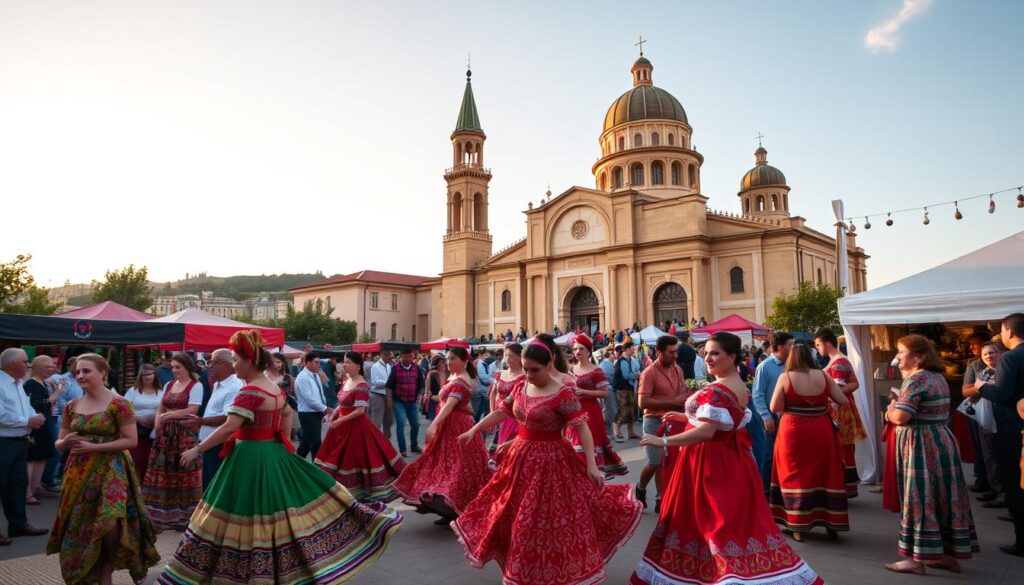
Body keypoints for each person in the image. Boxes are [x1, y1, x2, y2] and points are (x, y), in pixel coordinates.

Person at [157, 331, 402, 584]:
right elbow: (285, 413)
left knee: (241, 512)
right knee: (273, 511)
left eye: (235, 359)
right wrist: (284, 444)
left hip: (250, 457)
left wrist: (197, 449)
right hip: (270, 453)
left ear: (249, 361)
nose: (233, 364)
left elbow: (230, 427)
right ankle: (274, 568)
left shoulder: (250, 391)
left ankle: (244, 571)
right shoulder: (272, 387)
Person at [631, 333, 824, 585]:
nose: (708, 358)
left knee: (714, 526)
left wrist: (664, 441)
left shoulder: (720, 389)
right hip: (728, 461)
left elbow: (708, 431)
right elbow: (721, 423)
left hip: (710, 463)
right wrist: (685, 418)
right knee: (722, 525)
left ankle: (725, 577)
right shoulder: (734, 383)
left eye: (715, 353)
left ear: (732, 356)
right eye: (706, 353)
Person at [452, 334, 642, 585]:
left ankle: (550, 568)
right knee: (509, 511)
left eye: (534, 370)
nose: (529, 375)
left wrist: (592, 465)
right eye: (526, 369)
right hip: (520, 460)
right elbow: (501, 412)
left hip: (553, 462)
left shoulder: (563, 393)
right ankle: (523, 567)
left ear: (549, 364)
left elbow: (582, 428)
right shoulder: (521, 386)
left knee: (542, 519)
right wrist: (474, 430)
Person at [47, 353, 159, 584]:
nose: (80, 375)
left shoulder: (119, 403)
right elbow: (59, 443)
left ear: (103, 373)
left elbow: (131, 440)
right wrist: (66, 442)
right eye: (77, 371)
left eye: (86, 371)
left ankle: (110, 565)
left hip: (112, 468)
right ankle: (96, 572)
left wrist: (94, 446)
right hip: (78, 471)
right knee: (83, 522)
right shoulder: (72, 406)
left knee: (109, 522)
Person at [885, 334, 978, 574]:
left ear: (918, 357)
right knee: (943, 497)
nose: (897, 357)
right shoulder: (938, 377)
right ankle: (945, 555)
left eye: (901, 352)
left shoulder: (916, 380)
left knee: (918, 497)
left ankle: (914, 560)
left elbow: (901, 417)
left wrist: (890, 411)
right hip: (940, 439)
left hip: (920, 444)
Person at [393, 346, 492, 524]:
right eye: (447, 358)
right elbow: (460, 403)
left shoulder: (462, 379)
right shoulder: (454, 377)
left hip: (457, 428)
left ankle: (456, 509)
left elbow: (450, 404)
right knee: (443, 466)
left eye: (453, 358)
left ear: (464, 360)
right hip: (450, 425)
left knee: (458, 469)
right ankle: (447, 509)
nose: (449, 362)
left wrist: (435, 423)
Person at [768, 342, 850, 541]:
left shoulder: (785, 377)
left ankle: (797, 524)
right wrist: (821, 403)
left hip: (793, 430)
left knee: (794, 474)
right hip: (821, 428)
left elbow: (775, 406)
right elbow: (843, 400)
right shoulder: (823, 375)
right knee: (824, 472)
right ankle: (831, 521)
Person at [967, 312, 1024, 557]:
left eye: (1001, 330)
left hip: (1011, 429)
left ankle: (1022, 539)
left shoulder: (1011, 358)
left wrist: (981, 387)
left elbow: (1001, 394)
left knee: (1013, 483)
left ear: (1009, 331)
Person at [316, 351, 406, 502]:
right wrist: (333, 415)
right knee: (337, 459)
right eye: (344, 362)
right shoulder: (346, 381)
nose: (344, 365)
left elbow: (360, 411)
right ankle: (340, 494)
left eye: (348, 362)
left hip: (355, 428)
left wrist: (340, 420)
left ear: (358, 366)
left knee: (353, 460)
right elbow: (341, 403)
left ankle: (356, 494)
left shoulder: (362, 385)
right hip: (341, 426)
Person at [141, 352, 203, 531]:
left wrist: (170, 414)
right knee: (163, 471)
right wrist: (159, 420)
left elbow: (193, 409)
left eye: (178, 367)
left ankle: (184, 518)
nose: (175, 370)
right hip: (165, 434)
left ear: (187, 367)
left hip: (184, 433)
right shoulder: (169, 384)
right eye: (173, 367)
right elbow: (161, 406)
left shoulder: (195, 385)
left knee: (184, 472)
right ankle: (160, 517)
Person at [0, 348, 49, 546]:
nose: (28, 365)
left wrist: (36, 417)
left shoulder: (19, 383)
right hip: (3, 441)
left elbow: (26, 407)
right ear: (12, 364)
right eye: (25, 361)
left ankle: (18, 524)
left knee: (18, 485)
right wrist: (26, 421)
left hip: (19, 442)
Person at [636, 335, 689, 513]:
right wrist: (673, 402)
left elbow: (682, 393)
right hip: (653, 420)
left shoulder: (678, 370)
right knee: (655, 461)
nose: (675, 355)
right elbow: (643, 402)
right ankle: (641, 488)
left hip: (673, 420)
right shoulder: (649, 372)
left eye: (676, 352)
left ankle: (661, 498)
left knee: (667, 462)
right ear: (660, 352)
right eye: (671, 352)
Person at [567, 335, 628, 478]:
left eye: (581, 349)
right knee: (574, 444)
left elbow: (605, 392)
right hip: (574, 412)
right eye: (575, 349)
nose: (577, 352)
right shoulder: (571, 371)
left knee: (590, 443)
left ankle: (594, 476)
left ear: (589, 351)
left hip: (591, 412)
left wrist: (584, 392)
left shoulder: (596, 370)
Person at [815, 328, 867, 498]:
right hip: (842, 406)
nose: (817, 349)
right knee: (843, 447)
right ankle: (845, 486)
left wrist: (833, 395)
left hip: (838, 408)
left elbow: (846, 385)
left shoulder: (838, 362)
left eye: (818, 344)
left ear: (827, 342)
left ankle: (841, 486)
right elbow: (854, 383)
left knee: (840, 446)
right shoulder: (840, 360)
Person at [184, 348, 241, 489]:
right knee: (208, 483)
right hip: (210, 442)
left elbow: (228, 418)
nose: (210, 366)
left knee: (213, 486)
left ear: (228, 365)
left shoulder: (234, 387)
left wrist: (200, 421)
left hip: (219, 443)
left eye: (214, 362)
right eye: (210, 362)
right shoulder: (217, 384)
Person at [750, 332, 794, 496]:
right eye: (791, 344)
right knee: (769, 455)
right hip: (774, 417)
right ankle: (766, 492)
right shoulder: (765, 366)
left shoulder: (793, 364)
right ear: (780, 347)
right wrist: (766, 417)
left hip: (791, 417)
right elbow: (757, 394)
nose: (793, 348)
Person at [964, 342, 1004, 507]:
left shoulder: (1005, 371)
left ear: (999, 353)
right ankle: (997, 490)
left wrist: (982, 388)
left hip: (1003, 420)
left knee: (1002, 457)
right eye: (985, 354)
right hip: (985, 419)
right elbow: (968, 393)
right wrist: (979, 388)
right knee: (989, 456)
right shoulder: (981, 372)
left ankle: (1005, 494)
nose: (988, 356)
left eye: (992, 353)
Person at [23, 356, 59, 506]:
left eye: (53, 366)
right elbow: (39, 405)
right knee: (32, 458)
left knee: (41, 457)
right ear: (38, 367)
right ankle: (27, 493)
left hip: (44, 425)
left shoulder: (43, 383)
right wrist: (57, 392)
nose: (52, 369)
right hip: (34, 427)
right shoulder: (31, 384)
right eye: (49, 367)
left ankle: (34, 488)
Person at [123, 363, 163, 482]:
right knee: (135, 461)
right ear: (140, 376)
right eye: (144, 374)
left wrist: (156, 417)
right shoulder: (133, 391)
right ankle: (133, 489)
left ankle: (146, 490)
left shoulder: (161, 392)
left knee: (149, 462)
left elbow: (165, 409)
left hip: (155, 431)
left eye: (150, 374)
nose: (147, 377)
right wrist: (137, 419)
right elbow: (124, 410)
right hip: (136, 431)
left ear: (155, 375)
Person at [386, 347, 425, 457]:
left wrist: (420, 396)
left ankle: (414, 445)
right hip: (399, 402)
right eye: (405, 356)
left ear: (412, 356)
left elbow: (422, 385)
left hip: (412, 402)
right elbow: (389, 386)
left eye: (409, 356)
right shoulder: (395, 368)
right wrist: (389, 400)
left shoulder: (416, 368)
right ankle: (402, 449)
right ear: (401, 356)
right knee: (401, 425)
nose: (407, 358)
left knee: (416, 424)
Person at [490, 343, 526, 461]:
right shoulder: (500, 373)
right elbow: (493, 393)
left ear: (519, 357)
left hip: (512, 416)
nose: (507, 358)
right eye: (506, 355)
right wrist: (492, 413)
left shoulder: (524, 376)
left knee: (508, 450)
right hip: (497, 412)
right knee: (495, 448)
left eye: (510, 356)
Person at [295, 351, 332, 461]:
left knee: (307, 443)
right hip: (308, 413)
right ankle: (317, 469)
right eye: (316, 362)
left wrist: (323, 406)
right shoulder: (303, 377)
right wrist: (325, 408)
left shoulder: (315, 375)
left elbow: (320, 392)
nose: (318, 365)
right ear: (307, 363)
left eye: (319, 362)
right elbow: (309, 399)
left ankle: (296, 465)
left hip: (315, 413)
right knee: (315, 443)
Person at [266, 352, 299, 442]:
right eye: (275, 362)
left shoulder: (288, 377)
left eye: (280, 362)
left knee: (286, 436)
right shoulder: (265, 377)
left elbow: (293, 393)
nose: (277, 364)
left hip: (286, 408)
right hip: (270, 410)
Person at [613, 341, 640, 441]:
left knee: (632, 410)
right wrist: (637, 375)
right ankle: (617, 431)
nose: (634, 351)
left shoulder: (629, 360)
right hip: (623, 388)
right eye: (633, 349)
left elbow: (632, 372)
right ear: (628, 349)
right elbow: (626, 375)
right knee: (623, 410)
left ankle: (631, 432)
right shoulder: (623, 361)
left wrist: (635, 375)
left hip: (629, 387)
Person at [369, 351, 395, 440]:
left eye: (390, 356)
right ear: (382, 355)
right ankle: (373, 442)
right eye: (388, 356)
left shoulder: (388, 366)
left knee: (388, 421)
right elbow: (375, 382)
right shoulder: (375, 366)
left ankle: (386, 443)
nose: (390, 358)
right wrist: (389, 383)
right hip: (377, 395)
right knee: (377, 421)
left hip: (388, 394)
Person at [598, 348, 620, 441]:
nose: (614, 355)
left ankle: (609, 433)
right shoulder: (607, 364)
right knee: (611, 410)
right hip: (609, 389)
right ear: (608, 355)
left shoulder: (606, 364)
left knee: (609, 410)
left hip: (608, 389)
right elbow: (611, 378)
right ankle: (608, 432)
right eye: (612, 354)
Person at [422, 355, 447, 420]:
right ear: (437, 364)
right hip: (435, 401)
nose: (444, 363)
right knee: (435, 422)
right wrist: (431, 396)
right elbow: (427, 388)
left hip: (445, 401)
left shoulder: (447, 373)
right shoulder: (432, 374)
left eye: (444, 362)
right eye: (442, 362)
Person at [473, 350, 494, 423]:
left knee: (483, 409)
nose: (487, 357)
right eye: (485, 355)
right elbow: (484, 378)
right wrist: (494, 381)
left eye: (488, 355)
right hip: (483, 389)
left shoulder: (484, 363)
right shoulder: (481, 364)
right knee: (482, 410)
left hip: (484, 389)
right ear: (480, 355)